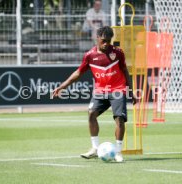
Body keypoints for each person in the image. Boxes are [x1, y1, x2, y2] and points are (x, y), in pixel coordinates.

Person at [53, 26, 137, 162]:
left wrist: (131, 91)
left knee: (119, 119)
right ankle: (94, 148)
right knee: (91, 113)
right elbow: (78, 73)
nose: (106, 44)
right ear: (97, 38)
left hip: (117, 89)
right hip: (100, 91)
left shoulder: (118, 53)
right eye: (103, 40)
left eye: (109, 41)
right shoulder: (90, 55)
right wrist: (62, 87)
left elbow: (125, 71)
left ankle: (118, 152)